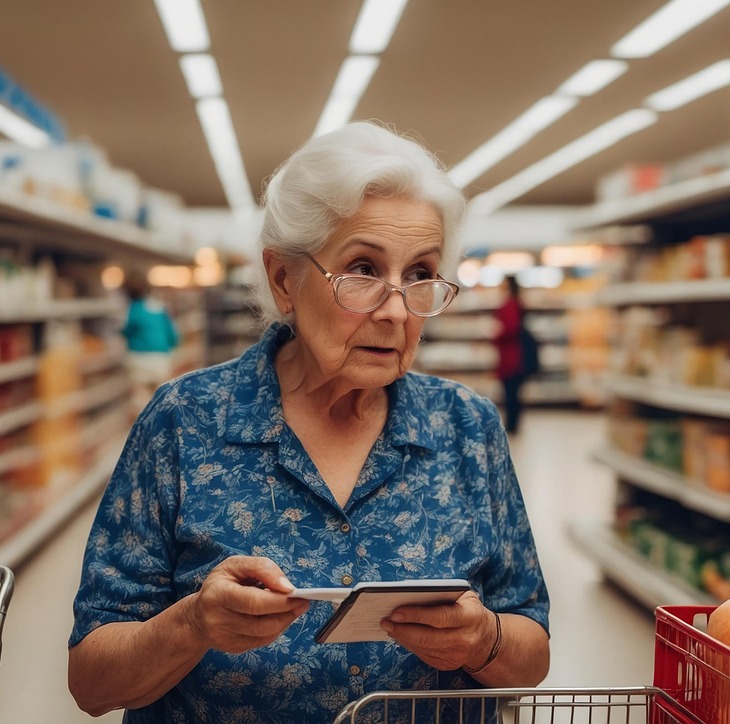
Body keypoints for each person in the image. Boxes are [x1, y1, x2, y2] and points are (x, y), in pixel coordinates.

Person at [68, 122, 550, 722]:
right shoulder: (183, 421)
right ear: (283, 280)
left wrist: (484, 641)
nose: (397, 310)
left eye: (421, 274)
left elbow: (531, 654)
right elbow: (91, 681)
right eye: (363, 270)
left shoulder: (467, 428)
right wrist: (191, 623)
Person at [119, 271, 179, 413]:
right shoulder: (159, 308)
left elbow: (127, 331)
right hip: (160, 359)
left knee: (141, 398)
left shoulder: (133, 309)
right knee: (162, 397)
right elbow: (173, 336)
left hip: (138, 359)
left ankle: (144, 429)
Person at [493, 275, 540, 436]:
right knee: (515, 393)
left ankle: (511, 426)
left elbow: (509, 329)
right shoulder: (518, 303)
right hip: (517, 355)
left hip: (511, 356)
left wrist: (496, 335)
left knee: (510, 393)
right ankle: (513, 425)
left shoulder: (509, 305)